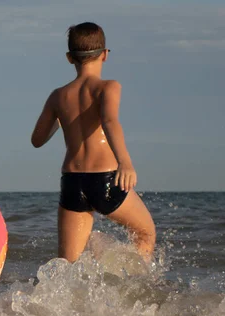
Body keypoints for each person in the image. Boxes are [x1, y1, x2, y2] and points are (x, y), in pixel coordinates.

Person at [30, 22, 156, 263]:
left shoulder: (58, 96)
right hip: (105, 179)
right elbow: (109, 121)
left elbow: (37, 140)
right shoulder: (108, 87)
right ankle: (132, 290)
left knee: (67, 265)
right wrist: (125, 163)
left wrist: (61, 115)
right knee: (144, 233)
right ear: (105, 55)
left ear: (70, 58)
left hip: (72, 183)